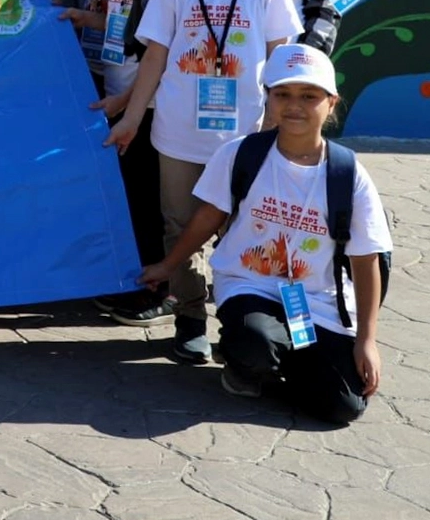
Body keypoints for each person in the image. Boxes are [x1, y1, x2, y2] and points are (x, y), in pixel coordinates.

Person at [107, 0, 304, 363]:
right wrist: (132, 118)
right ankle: (191, 317)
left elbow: (281, 59)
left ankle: (241, 321)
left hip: (245, 136)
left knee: (245, 231)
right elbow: (154, 57)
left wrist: (276, 128)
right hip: (178, 135)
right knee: (179, 227)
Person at [139, 45, 389, 422]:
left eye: (309, 96)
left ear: (331, 103)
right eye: (282, 94)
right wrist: (167, 265)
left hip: (310, 301)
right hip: (250, 285)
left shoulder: (348, 174)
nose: (294, 106)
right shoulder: (241, 154)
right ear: (267, 98)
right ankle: (246, 359)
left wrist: (366, 341)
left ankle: (286, 359)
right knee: (255, 342)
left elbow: (366, 258)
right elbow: (208, 217)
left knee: (344, 406)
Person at [92, 0, 194, 327]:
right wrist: (83, 19)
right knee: (132, 194)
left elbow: (168, 45)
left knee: (154, 200)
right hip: (122, 91)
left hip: (149, 101)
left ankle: (165, 290)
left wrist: (129, 101)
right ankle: (141, 280)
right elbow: (123, 22)